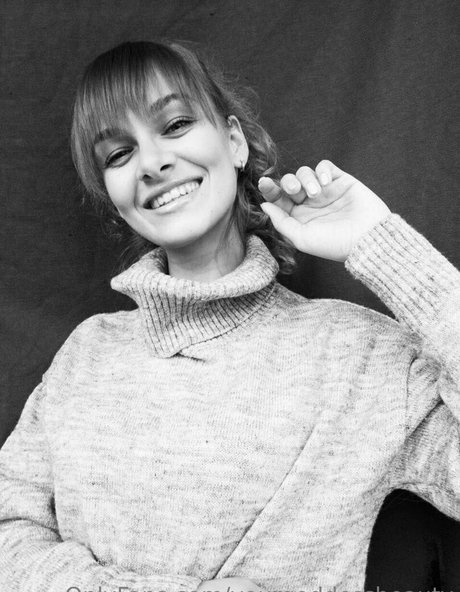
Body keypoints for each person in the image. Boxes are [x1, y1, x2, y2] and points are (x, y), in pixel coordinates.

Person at [0, 39, 459, 592]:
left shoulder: (361, 355)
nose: (152, 163)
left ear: (235, 142)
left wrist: (382, 246)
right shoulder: (86, 354)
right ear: (112, 196)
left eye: (175, 125)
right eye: (118, 155)